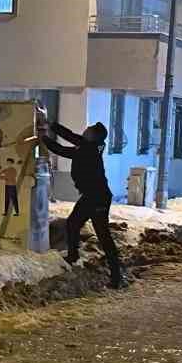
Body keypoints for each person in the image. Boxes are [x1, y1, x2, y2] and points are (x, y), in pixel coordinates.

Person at [44, 121, 124, 288]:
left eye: (88, 130)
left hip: (97, 197)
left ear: (92, 135)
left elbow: (61, 150)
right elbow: (71, 136)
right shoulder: (92, 145)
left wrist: (43, 139)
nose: (85, 130)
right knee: (73, 223)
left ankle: (116, 277)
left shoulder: (88, 150)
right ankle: (73, 256)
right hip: (93, 195)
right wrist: (53, 126)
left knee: (102, 235)